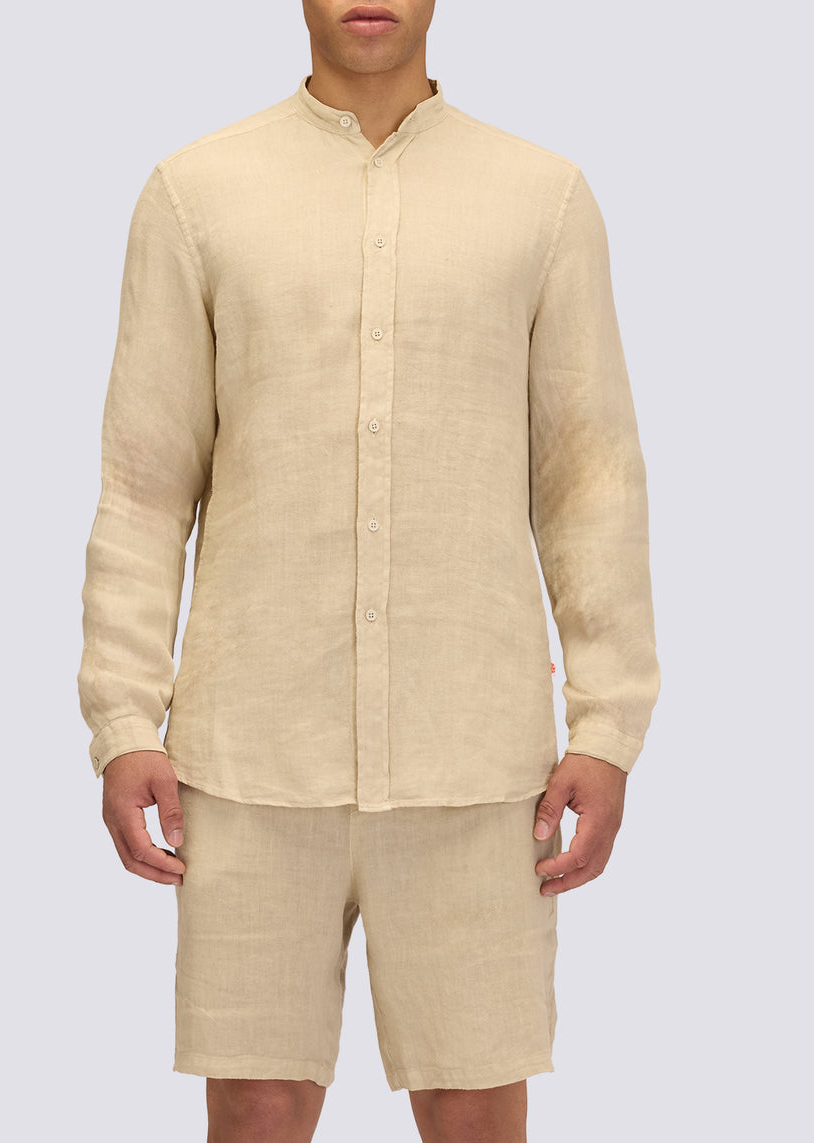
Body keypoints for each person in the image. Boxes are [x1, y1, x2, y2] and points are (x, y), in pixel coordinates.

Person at [77, 2, 660, 1139]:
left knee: (475, 1108)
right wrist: (123, 718)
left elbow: (590, 479)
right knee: (258, 1107)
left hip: (473, 760)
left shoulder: (540, 198)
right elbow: (145, 485)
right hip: (250, 757)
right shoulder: (198, 192)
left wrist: (608, 728)